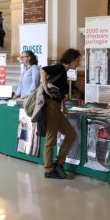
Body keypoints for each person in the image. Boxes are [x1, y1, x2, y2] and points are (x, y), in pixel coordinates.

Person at [39, 48, 81, 180]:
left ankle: (59, 163)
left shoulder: (64, 72)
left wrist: (63, 101)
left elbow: (59, 94)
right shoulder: (60, 68)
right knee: (51, 138)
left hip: (56, 107)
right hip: (51, 106)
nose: (79, 63)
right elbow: (43, 70)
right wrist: (45, 87)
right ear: (72, 60)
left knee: (71, 134)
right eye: (78, 60)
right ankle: (48, 169)